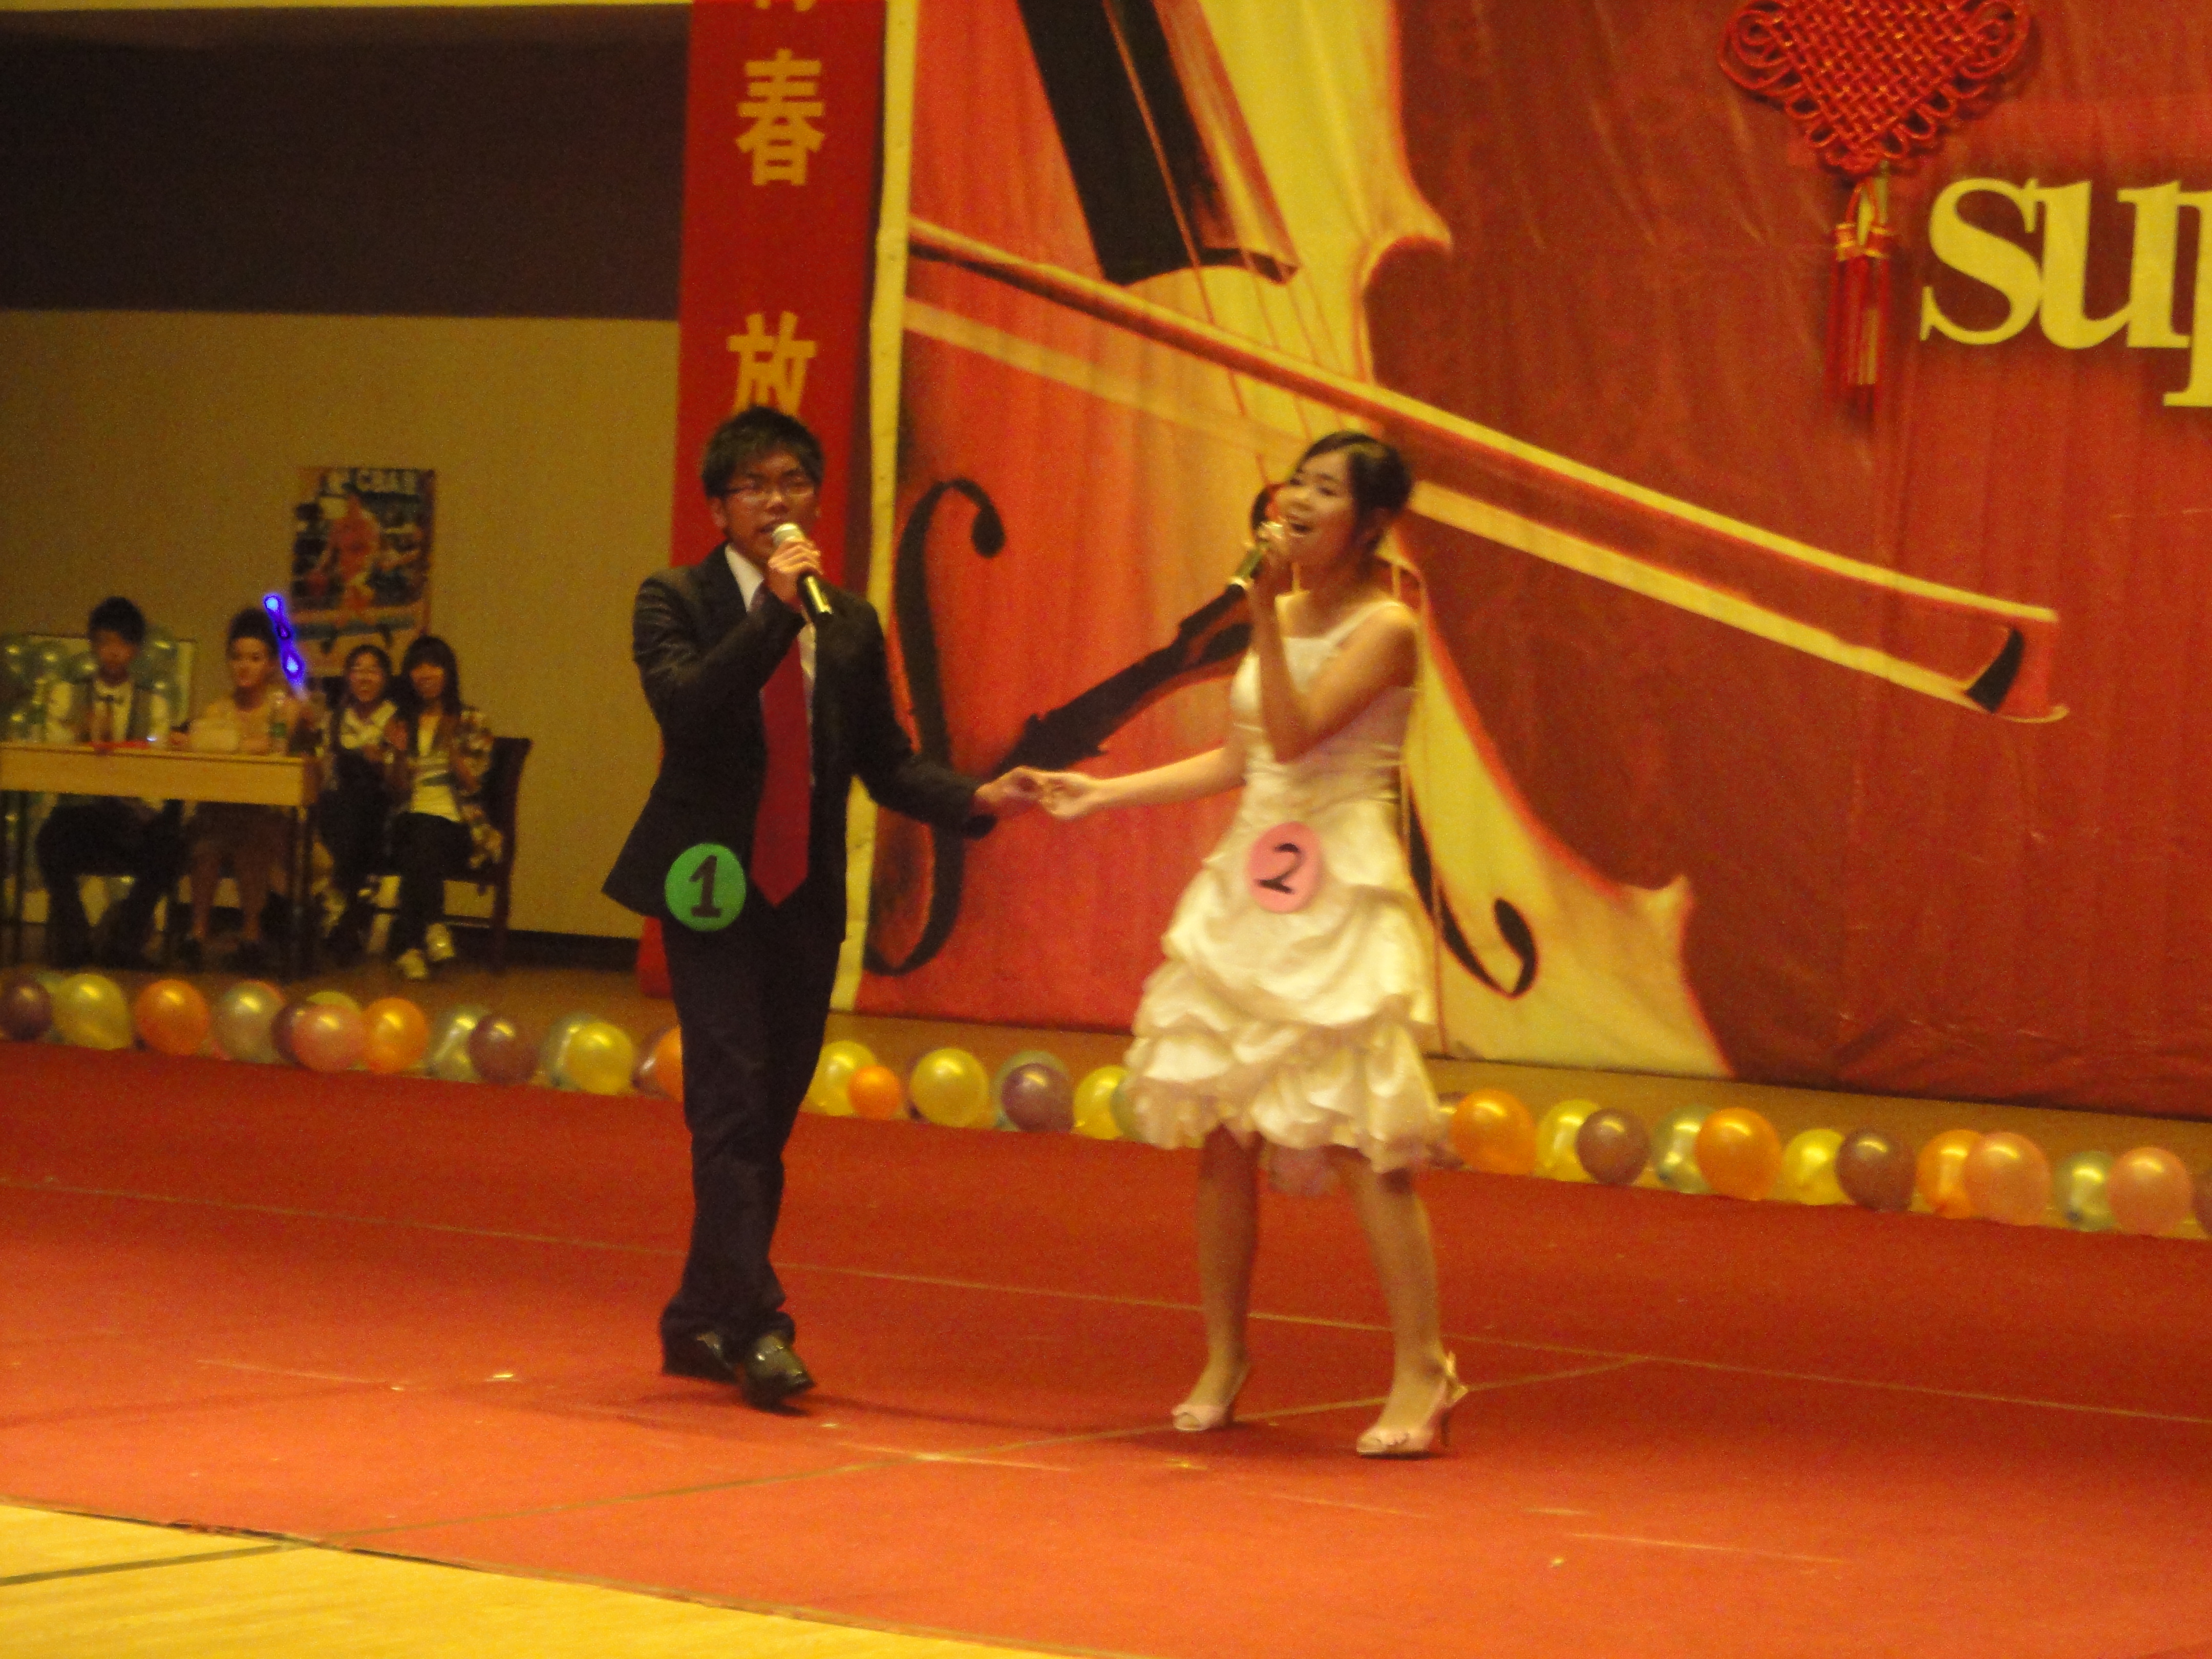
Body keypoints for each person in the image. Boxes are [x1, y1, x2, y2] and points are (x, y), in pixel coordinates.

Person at [604, 405, 1041, 1408]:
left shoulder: (850, 623)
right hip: (710, 890)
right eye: (754, 486)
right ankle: (759, 1325)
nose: (777, 502)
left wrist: (978, 799)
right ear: (720, 509)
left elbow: (885, 762)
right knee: (729, 1104)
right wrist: (773, 614)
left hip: (804, 895)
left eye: (794, 483)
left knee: (766, 1117)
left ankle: (697, 1316)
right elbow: (689, 708)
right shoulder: (675, 598)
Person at [1036, 432, 1463, 1458]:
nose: (1300, 501)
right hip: (1255, 878)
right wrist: (1100, 793)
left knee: (1362, 1138)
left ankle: (1425, 1367)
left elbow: (1301, 733)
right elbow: (1243, 758)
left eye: (1327, 491)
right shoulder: (1283, 611)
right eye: (1298, 483)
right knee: (1226, 1130)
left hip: (1340, 884)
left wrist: (1264, 613)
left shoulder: (1388, 626)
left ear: (1371, 522)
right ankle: (1225, 1355)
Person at [34, 596, 184, 969]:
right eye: (104, 642)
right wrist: (80, 733)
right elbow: (52, 753)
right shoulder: (68, 695)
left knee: (170, 848)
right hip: (80, 812)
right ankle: (75, 939)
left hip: (129, 814)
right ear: (93, 645)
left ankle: (124, 941)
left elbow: (158, 763)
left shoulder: (154, 705)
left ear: (136, 649)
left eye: (123, 643)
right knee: (48, 841)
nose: (113, 652)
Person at [177, 607, 317, 973]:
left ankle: (252, 935)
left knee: (251, 838)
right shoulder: (217, 709)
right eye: (237, 657)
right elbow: (201, 747)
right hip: (219, 809)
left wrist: (229, 743)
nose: (244, 667)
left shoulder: (283, 708)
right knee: (207, 840)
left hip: (267, 814)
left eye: (255, 659)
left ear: (270, 664)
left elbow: (277, 750)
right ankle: (197, 933)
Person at [380, 635, 498, 982]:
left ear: (448, 672)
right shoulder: (401, 721)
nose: (425, 674)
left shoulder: (472, 719)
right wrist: (398, 752)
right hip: (407, 821)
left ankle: (409, 946)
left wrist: (450, 745)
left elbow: (473, 785)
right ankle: (433, 926)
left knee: (424, 839)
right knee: (419, 830)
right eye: (417, 667)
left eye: (433, 665)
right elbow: (397, 793)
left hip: (459, 826)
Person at [318, 643, 398, 964]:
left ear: (386, 678)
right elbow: (323, 767)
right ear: (347, 677)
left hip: (381, 812)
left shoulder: (396, 719)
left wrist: (383, 762)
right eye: (357, 670)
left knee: (358, 808)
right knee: (339, 806)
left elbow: (402, 777)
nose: (364, 678)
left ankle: (342, 911)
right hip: (337, 810)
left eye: (373, 671)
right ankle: (344, 914)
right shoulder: (336, 719)